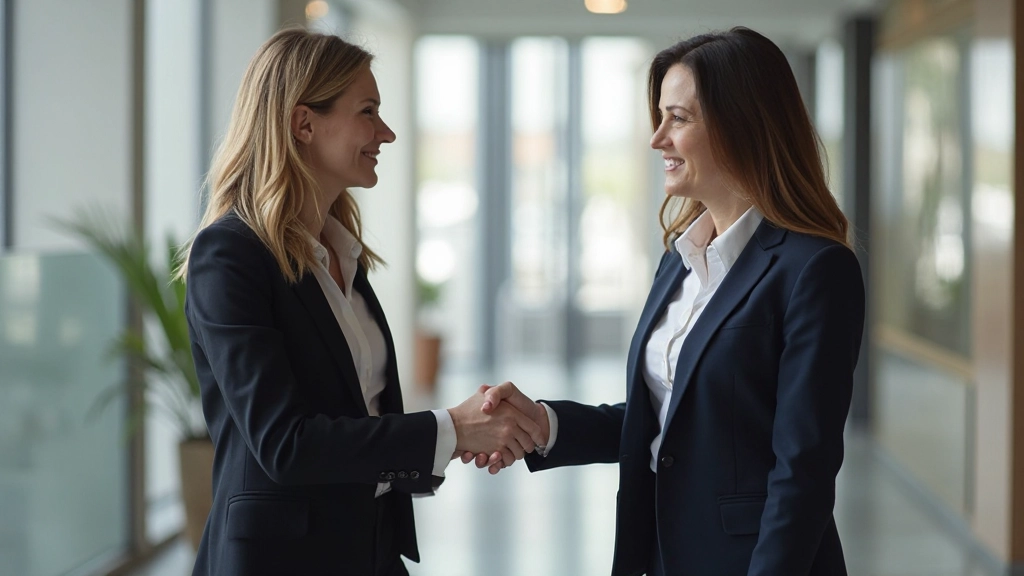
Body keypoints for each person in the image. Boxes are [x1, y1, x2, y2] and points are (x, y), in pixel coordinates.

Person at [464, 27, 865, 576]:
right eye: (660, 117)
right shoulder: (679, 259)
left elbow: (803, 471)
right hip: (657, 551)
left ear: (742, 124)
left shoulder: (814, 269)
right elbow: (673, 418)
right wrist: (545, 423)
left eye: (678, 118)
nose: (657, 139)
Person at [178, 29, 544, 576]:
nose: (387, 133)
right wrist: (452, 428)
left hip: (368, 548)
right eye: (368, 111)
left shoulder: (343, 255)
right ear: (303, 123)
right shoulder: (229, 255)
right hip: (280, 561)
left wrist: (454, 438)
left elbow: (362, 412)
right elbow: (285, 444)